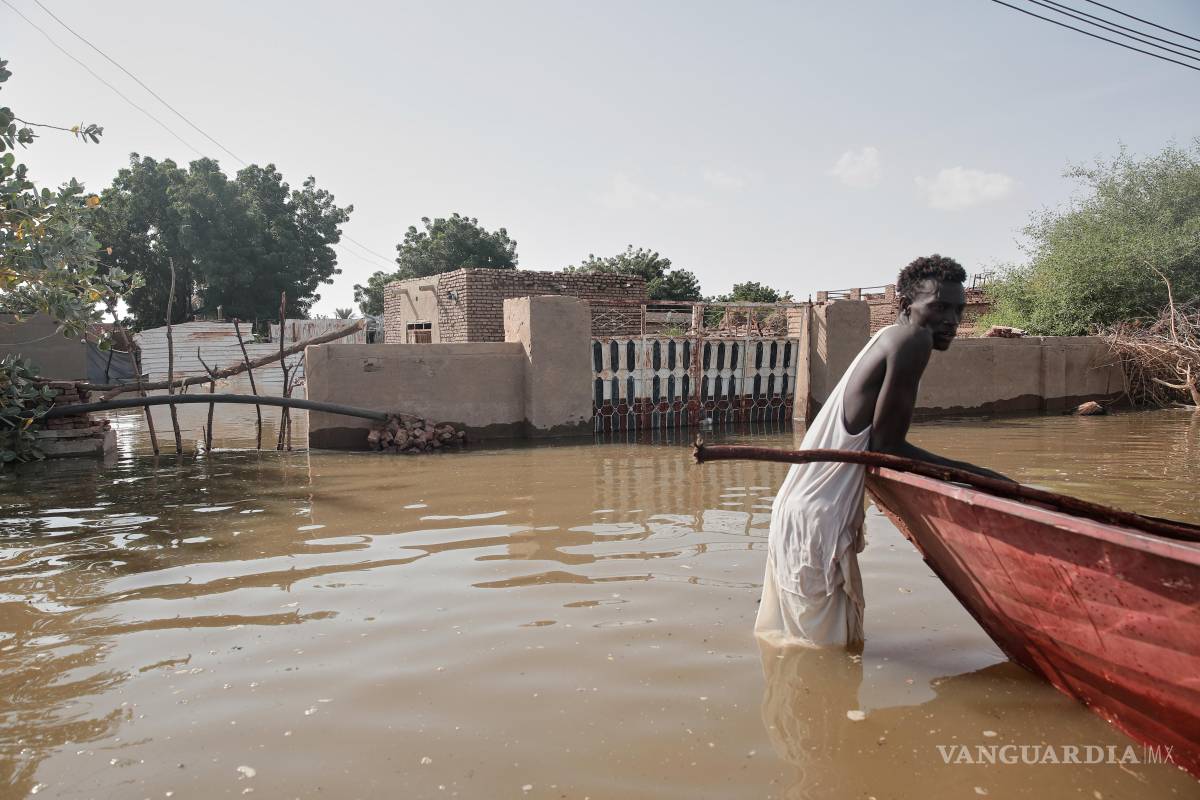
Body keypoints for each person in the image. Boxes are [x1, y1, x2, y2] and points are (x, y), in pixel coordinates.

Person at [756, 254, 1010, 649]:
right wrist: (980, 477)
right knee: (823, 662)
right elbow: (887, 448)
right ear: (908, 306)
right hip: (817, 520)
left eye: (958, 310)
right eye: (939, 307)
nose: (951, 321)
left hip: (801, 513)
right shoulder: (911, 340)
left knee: (801, 655)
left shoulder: (889, 337)